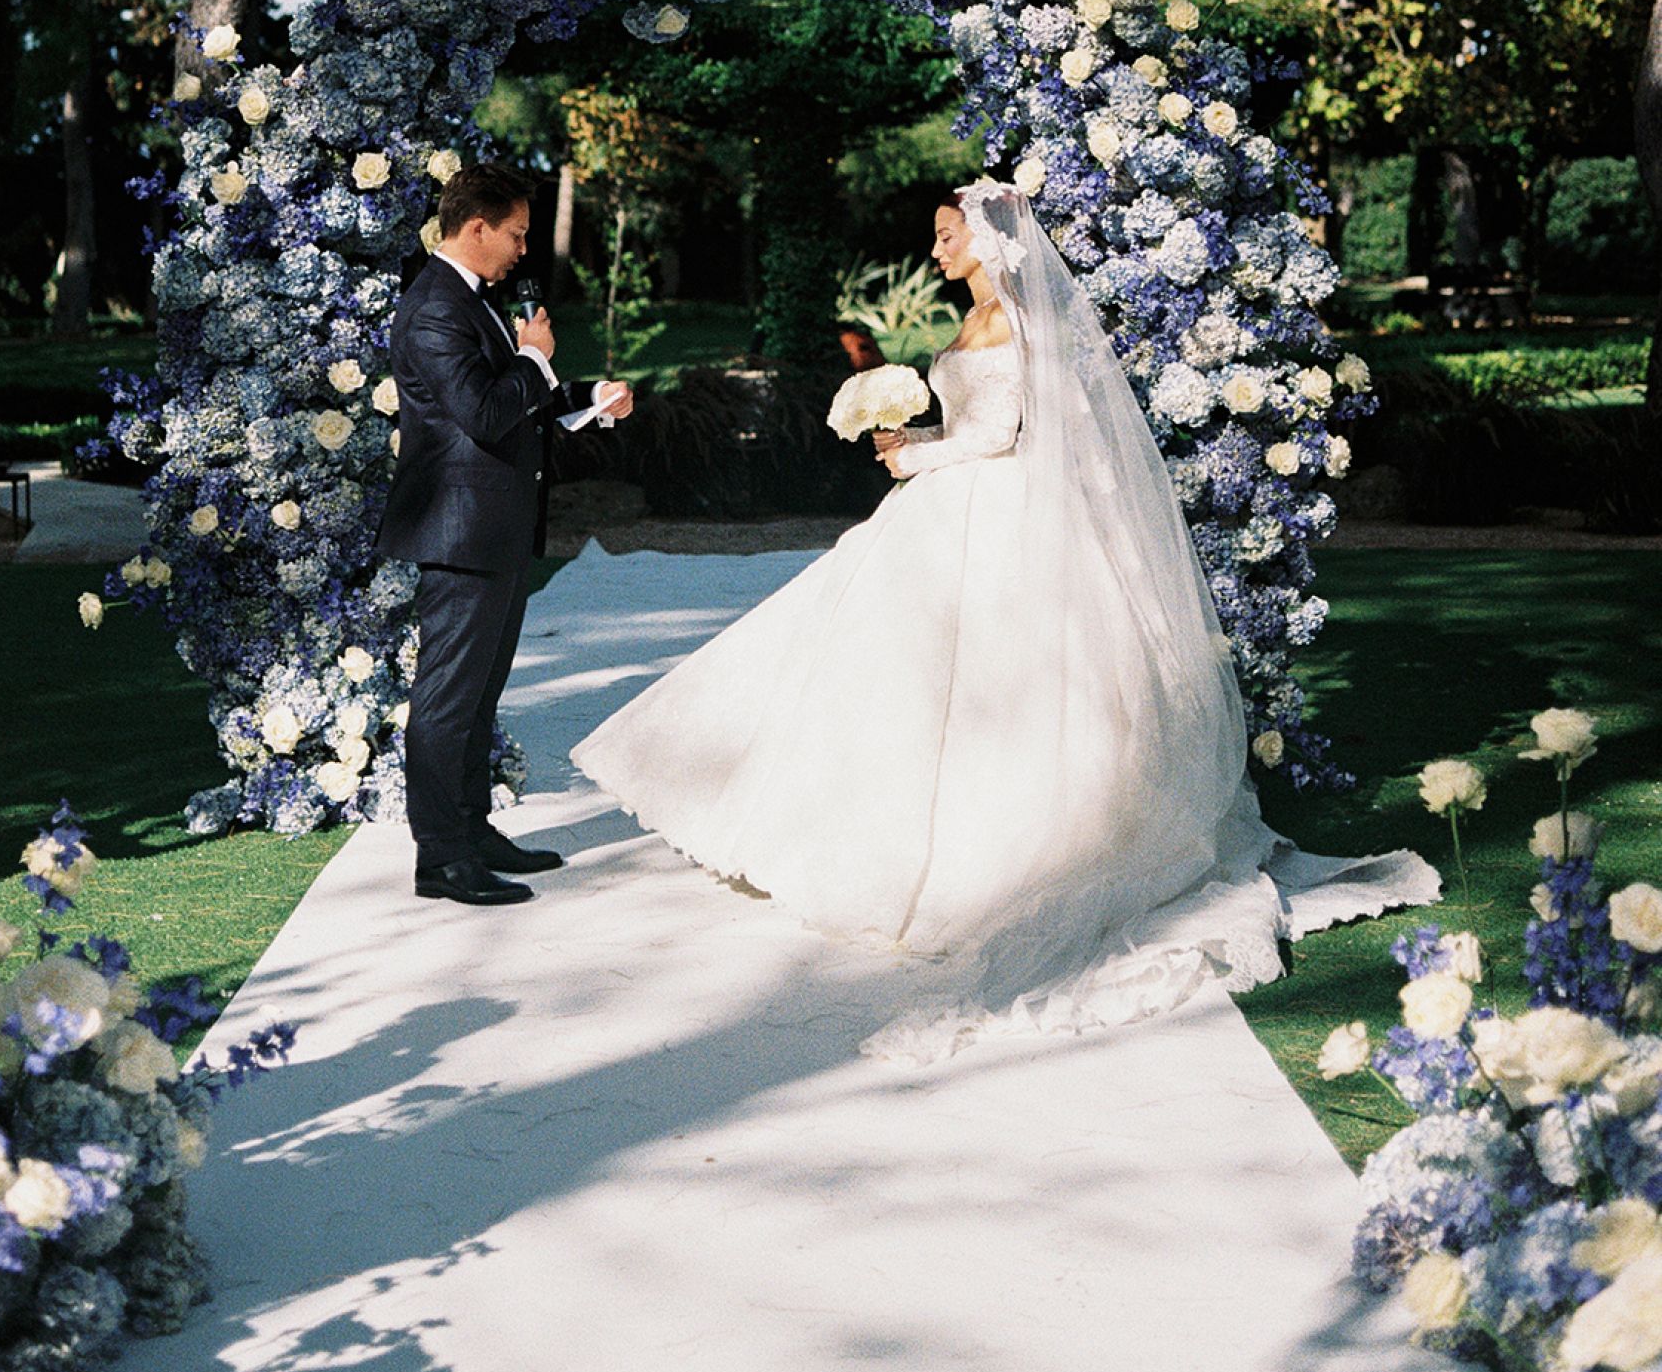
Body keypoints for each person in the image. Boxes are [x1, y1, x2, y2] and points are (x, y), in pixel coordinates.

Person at [573, 179, 1431, 1056]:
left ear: (990, 241)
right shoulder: (977, 319)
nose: (938, 251)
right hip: (952, 502)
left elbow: (1003, 431)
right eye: (938, 238)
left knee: (985, 671)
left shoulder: (1016, 321)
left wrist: (921, 453)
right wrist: (911, 441)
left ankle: (975, 856)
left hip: (991, 505)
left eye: (949, 236)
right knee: (882, 657)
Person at [378, 160, 634, 908]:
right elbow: (488, 412)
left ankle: (473, 829)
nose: (524, 248)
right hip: (460, 533)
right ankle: (440, 856)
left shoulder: (474, 301)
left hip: (495, 526)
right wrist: (532, 358)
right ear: (478, 227)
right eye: (517, 233)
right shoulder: (433, 307)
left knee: (479, 694)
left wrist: (590, 399)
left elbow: (518, 396)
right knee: (448, 698)